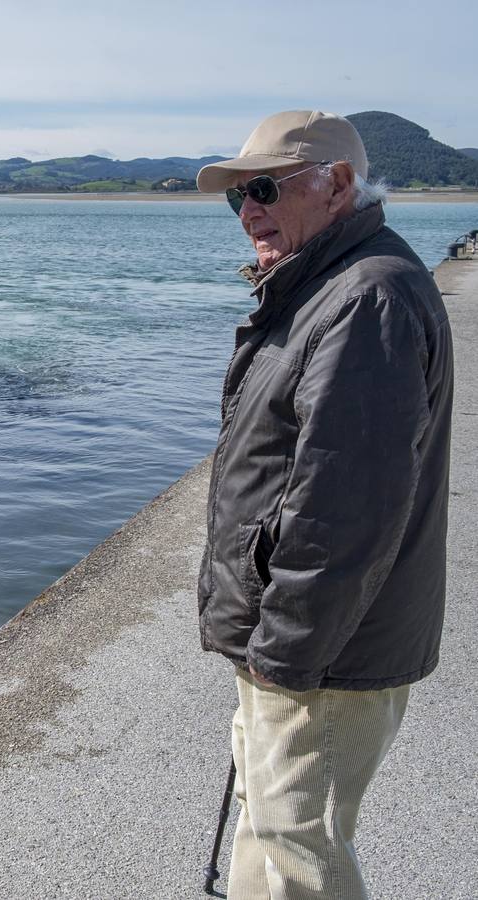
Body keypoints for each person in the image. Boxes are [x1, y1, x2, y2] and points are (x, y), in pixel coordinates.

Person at [195, 110, 453, 899]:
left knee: (300, 846)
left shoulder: (364, 299)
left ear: (336, 185)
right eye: (235, 197)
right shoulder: (323, 287)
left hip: (321, 655)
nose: (248, 211)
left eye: (265, 188)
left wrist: (285, 658)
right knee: (266, 822)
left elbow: (343, 513)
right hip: (290, 641)